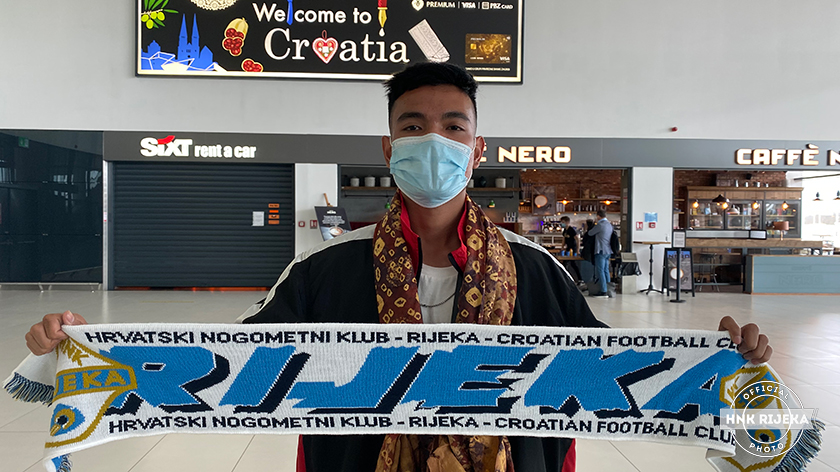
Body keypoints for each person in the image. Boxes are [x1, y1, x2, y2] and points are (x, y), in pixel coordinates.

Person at [25, 63, 774, 472]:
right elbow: (226, 363)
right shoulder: (325, 269)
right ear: (388, 148)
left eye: (454, 127)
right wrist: (79, 352)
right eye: (413, 127)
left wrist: (725, 367)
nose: (434, 141)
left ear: (477, 150)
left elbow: (620, 376)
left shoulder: (537, 271)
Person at [586, 210, 613, 299]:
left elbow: (590, 233)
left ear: (598, 216)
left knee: (600, 271)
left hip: (600, 250)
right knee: (606, 270)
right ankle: (609, 289)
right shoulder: (609, 225)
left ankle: (603, 291)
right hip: (608, 250)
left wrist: (593, 224)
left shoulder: (600, 225)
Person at [559, 216, 582, 283]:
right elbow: (564, 239)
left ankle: (580, 279)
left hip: (573, 248)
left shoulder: (571, 230)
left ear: (567, 222)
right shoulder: (565, 230)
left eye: (563, 222)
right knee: (565, 263)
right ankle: (565, 278)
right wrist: (562, 247)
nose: (561, 224)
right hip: (568, 248)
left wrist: (577, 249)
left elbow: (577, 239)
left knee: (572, 263)